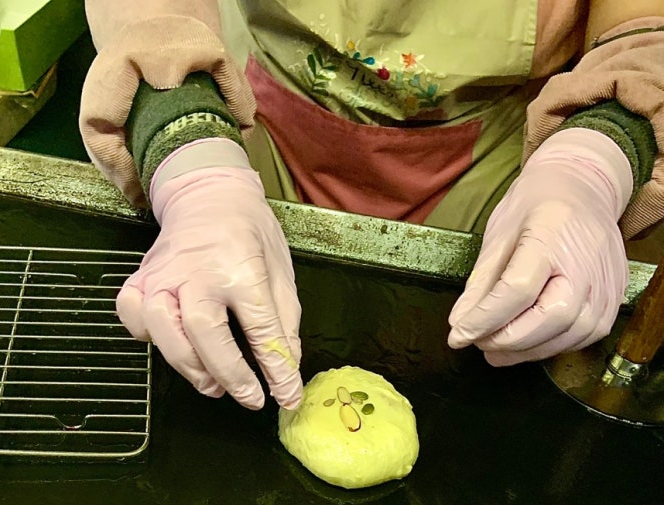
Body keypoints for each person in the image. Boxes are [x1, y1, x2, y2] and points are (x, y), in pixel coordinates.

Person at [79, 1, 664, 411]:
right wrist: (188, 152)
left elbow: (645, 24)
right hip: (256, 120)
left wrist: (596, 158)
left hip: (495, 162)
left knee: (485, 379)